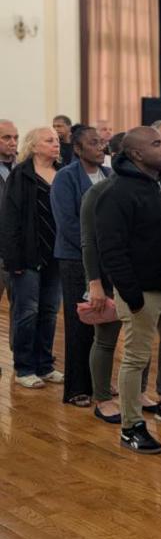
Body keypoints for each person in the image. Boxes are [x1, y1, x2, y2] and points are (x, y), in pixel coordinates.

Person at [95, 126, 161, 453]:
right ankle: (131, 426)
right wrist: (131, 295)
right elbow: (111, 250)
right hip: (141, 293)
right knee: (136, 359)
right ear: (136, 153)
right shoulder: (115, 193)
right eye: (156, 144)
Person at [51, 125, 111, 407]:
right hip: (75, 259)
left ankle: (100, 381)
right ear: (77, 148)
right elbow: (68, 223)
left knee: (105, 323)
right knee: (80, 324)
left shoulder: (109, 175)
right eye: (93, 143)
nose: (100, 147)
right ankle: (77, 387)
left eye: (101, 142)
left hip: (106, 260)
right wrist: (95, 252)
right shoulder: (66, 177)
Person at [0, 127, 64, 389]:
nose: (56, 144)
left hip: (56, 255)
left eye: (57, 140)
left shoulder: (62, 173)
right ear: (34, 146)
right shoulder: (20, 175)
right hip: (27, 255)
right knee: (27, 312)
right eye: (49, 141)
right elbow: (10, 219)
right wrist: (13, 259)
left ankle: (45, 364)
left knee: (49, 311)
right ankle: (24, 367)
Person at [81, 131, 128, 423]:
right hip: (109, 278)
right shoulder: (98, 192)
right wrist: (95, 283)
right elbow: (89, 241)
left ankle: (138, 393)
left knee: (138, 341)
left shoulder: (147, 188)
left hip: (138, 278)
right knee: (106, 339)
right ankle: (102, 397)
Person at [0, 119, 19, 349]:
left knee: (21, 307)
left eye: (15, 137)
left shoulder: (23, 168)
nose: (13, 142)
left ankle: (21, 358)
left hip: (16, 250)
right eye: (6, 138)